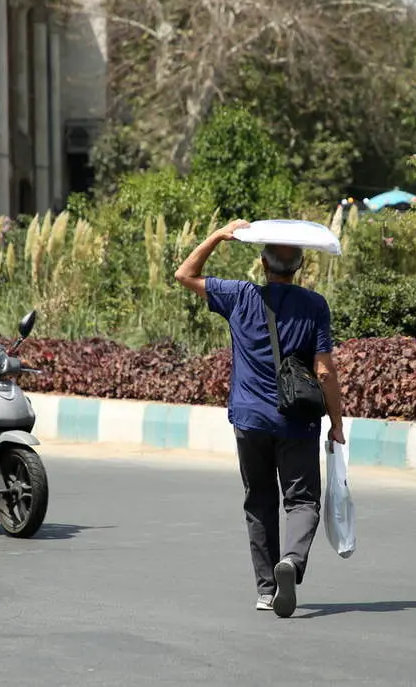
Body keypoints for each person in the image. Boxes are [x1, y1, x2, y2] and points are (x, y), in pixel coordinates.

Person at [174, 219, 345, 618]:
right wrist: (336, 422)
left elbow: (185, 274)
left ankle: (266, 590)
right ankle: (291, 561)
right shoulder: (314, 305)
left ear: (263, 265)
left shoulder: (239, 295)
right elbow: (324, 371)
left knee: (259, 501)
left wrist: (218, 236)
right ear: (299, 266)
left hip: (249, 419)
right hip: (297, 421)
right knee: (302, 500)